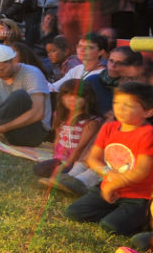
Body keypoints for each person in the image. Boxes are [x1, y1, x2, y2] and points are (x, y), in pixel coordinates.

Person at [65, 81, 153, 236]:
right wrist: (108, 175)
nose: (120, 108)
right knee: (74, 212)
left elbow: (141, 171)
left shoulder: (147, 134)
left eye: (129, 105)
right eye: (116, 102)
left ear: (148, 112)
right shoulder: (109, 127)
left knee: (110, 226)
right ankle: (117, 213)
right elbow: (93, 159)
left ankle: (141, 219)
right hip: (107, 185)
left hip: (137, 196)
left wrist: (113, 185)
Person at [34, 79, 103, 195]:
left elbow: (81, 147)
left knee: (61, 173)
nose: (71, 100)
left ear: (87, 99)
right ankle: (59, 176)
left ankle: (66, 179)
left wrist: (66, 164)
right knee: (39, 169)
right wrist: (56, 158)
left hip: (74, 161)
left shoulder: (91, 121)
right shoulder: (59, 115)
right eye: (67, 95)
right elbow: (57, 138)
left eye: (78, 97)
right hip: (60, 158)